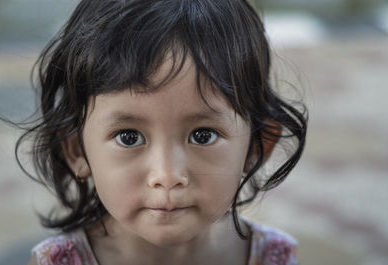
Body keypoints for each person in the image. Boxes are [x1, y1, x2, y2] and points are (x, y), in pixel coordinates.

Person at [21, 0, 307, 264]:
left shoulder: (273, 257)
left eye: (203, 135)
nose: (167, 176)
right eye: (129, 137)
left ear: (257, 145)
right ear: (76, 149)